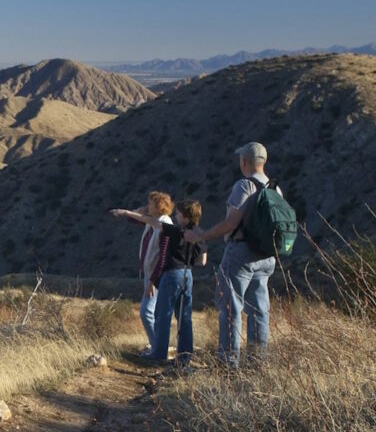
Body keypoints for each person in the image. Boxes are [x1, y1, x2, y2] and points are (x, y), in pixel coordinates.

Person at [185, 142, 279, 369]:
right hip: (266, 256)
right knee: (259, 310)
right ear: (264, 161)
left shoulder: (244, 186)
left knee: (230, 307)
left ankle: (228, 363)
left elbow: (230, 223)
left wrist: (202, 236)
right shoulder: (276, 189)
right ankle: (257, 363)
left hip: (241, 254)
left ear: (244, 161)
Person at [111, 200, 207, 367]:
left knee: (163, 315)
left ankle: (159, 353)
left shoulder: (176, 231)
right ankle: (184, 356)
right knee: (184, 317)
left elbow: (154, 223)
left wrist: (127, 212)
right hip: (188, 274)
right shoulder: (200, 235)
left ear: (185, 217)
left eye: (178, 214)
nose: (175, 216)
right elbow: (203, 261)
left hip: (171, 275)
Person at [131, 192, 174, 353]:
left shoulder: (164, 224)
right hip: (150, 273)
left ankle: (158, 348)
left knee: (146, 311)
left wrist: (152, 280)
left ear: (158, 207)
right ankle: (158, 346)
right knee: (153, 312)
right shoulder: (152, 222)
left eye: (150, 204)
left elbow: (163, 256)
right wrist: (140, 210)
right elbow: (132, 219)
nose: (147, 206)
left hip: (156, 275)